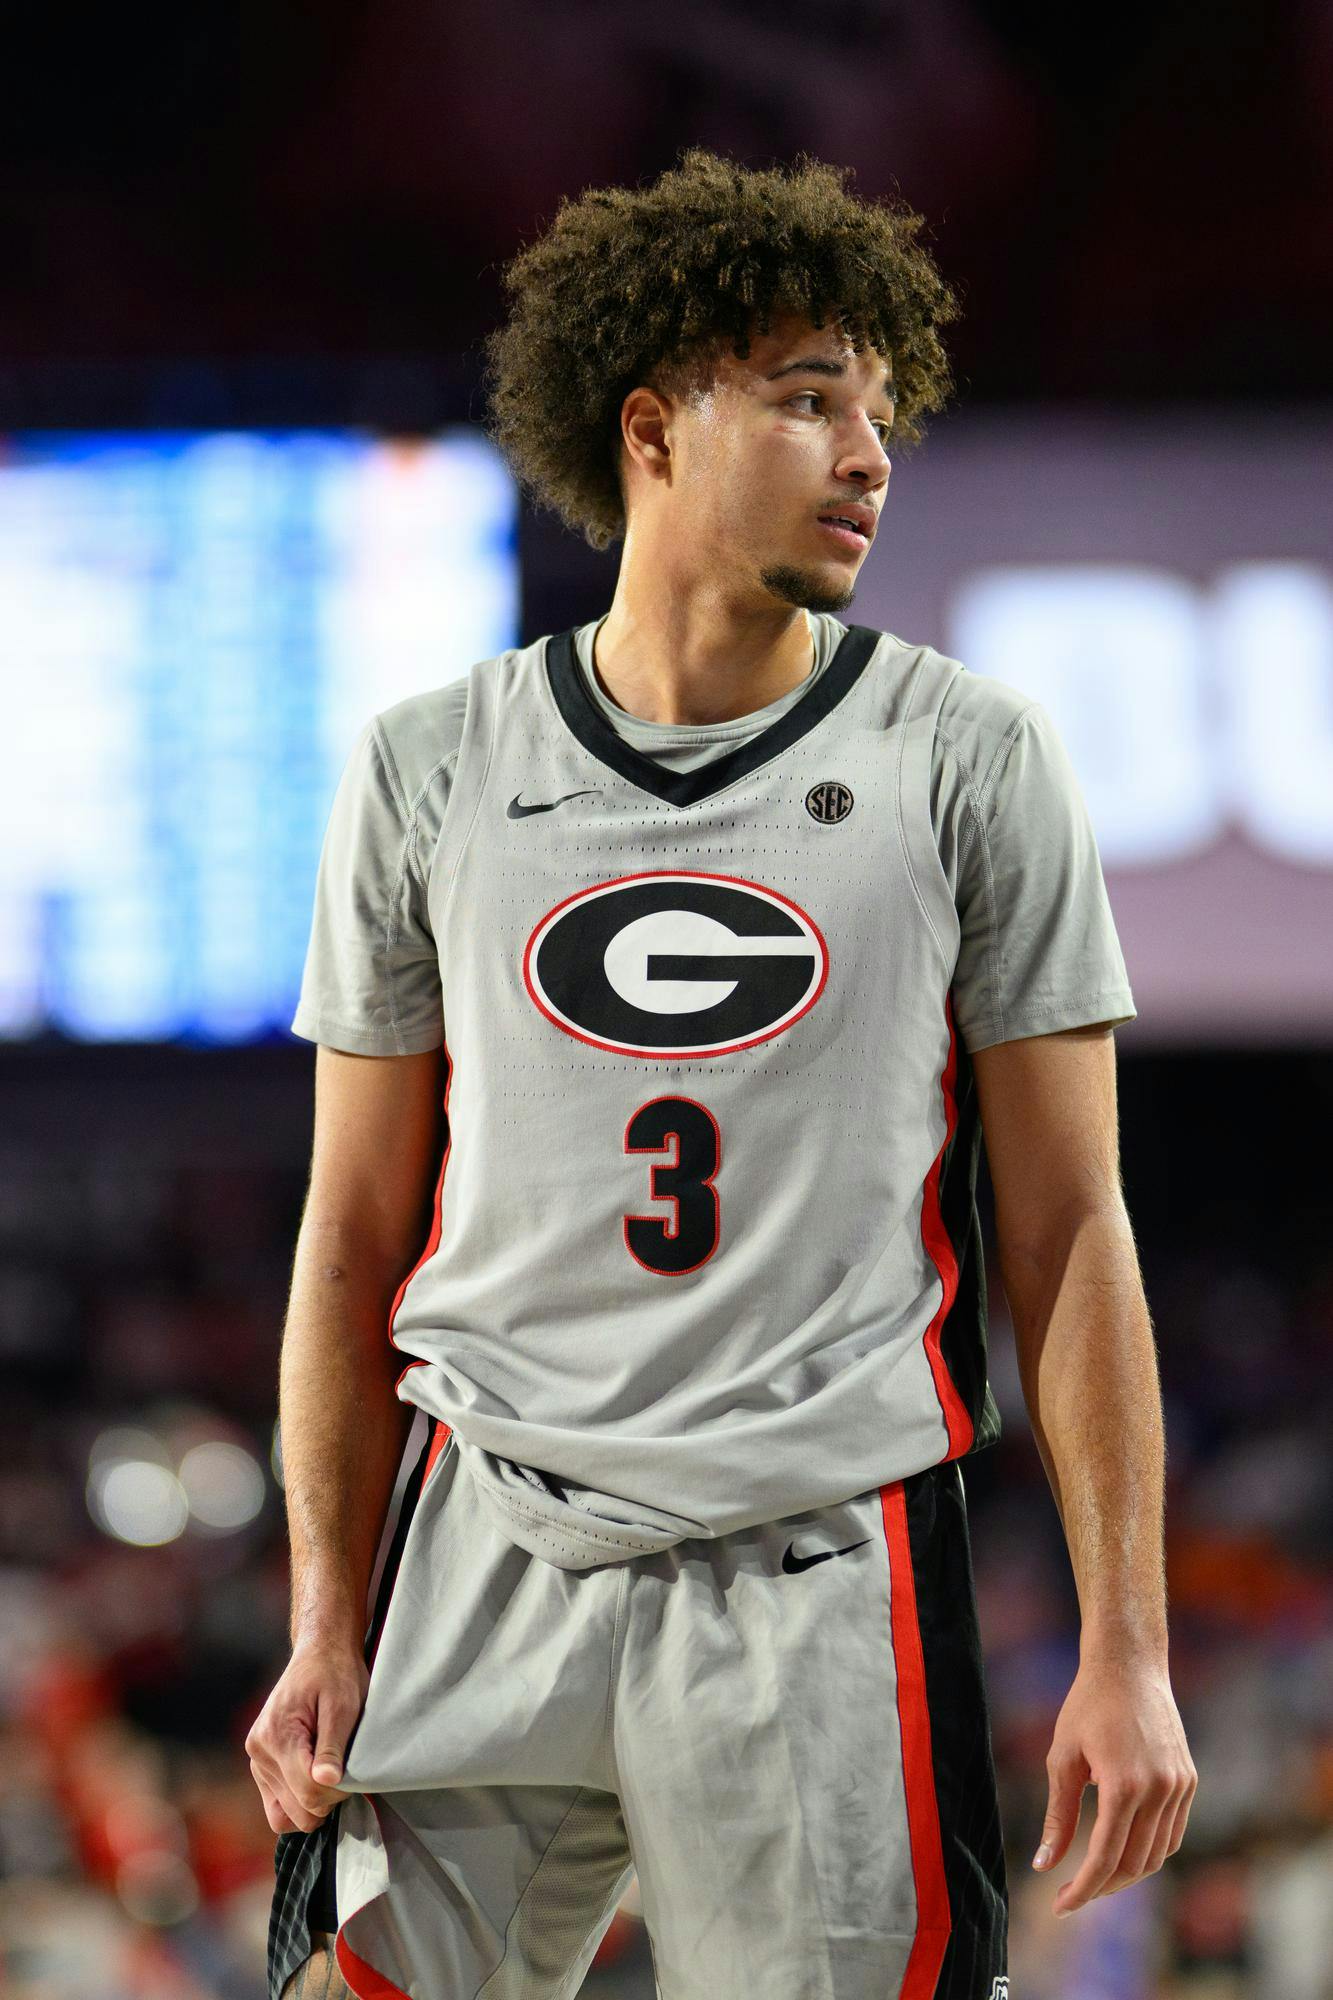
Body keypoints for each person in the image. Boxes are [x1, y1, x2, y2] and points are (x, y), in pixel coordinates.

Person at [246, 147, 1197, 2000]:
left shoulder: (969, 755)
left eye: (881, 412)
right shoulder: (431, 763)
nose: (868, 454)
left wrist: (1127, 1645)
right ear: (653, 423)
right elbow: (348, 1235)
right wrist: (320, 1616)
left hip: (817, 1564)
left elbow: (1072, 1232)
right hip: (484, 1523)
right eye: (808, 397)